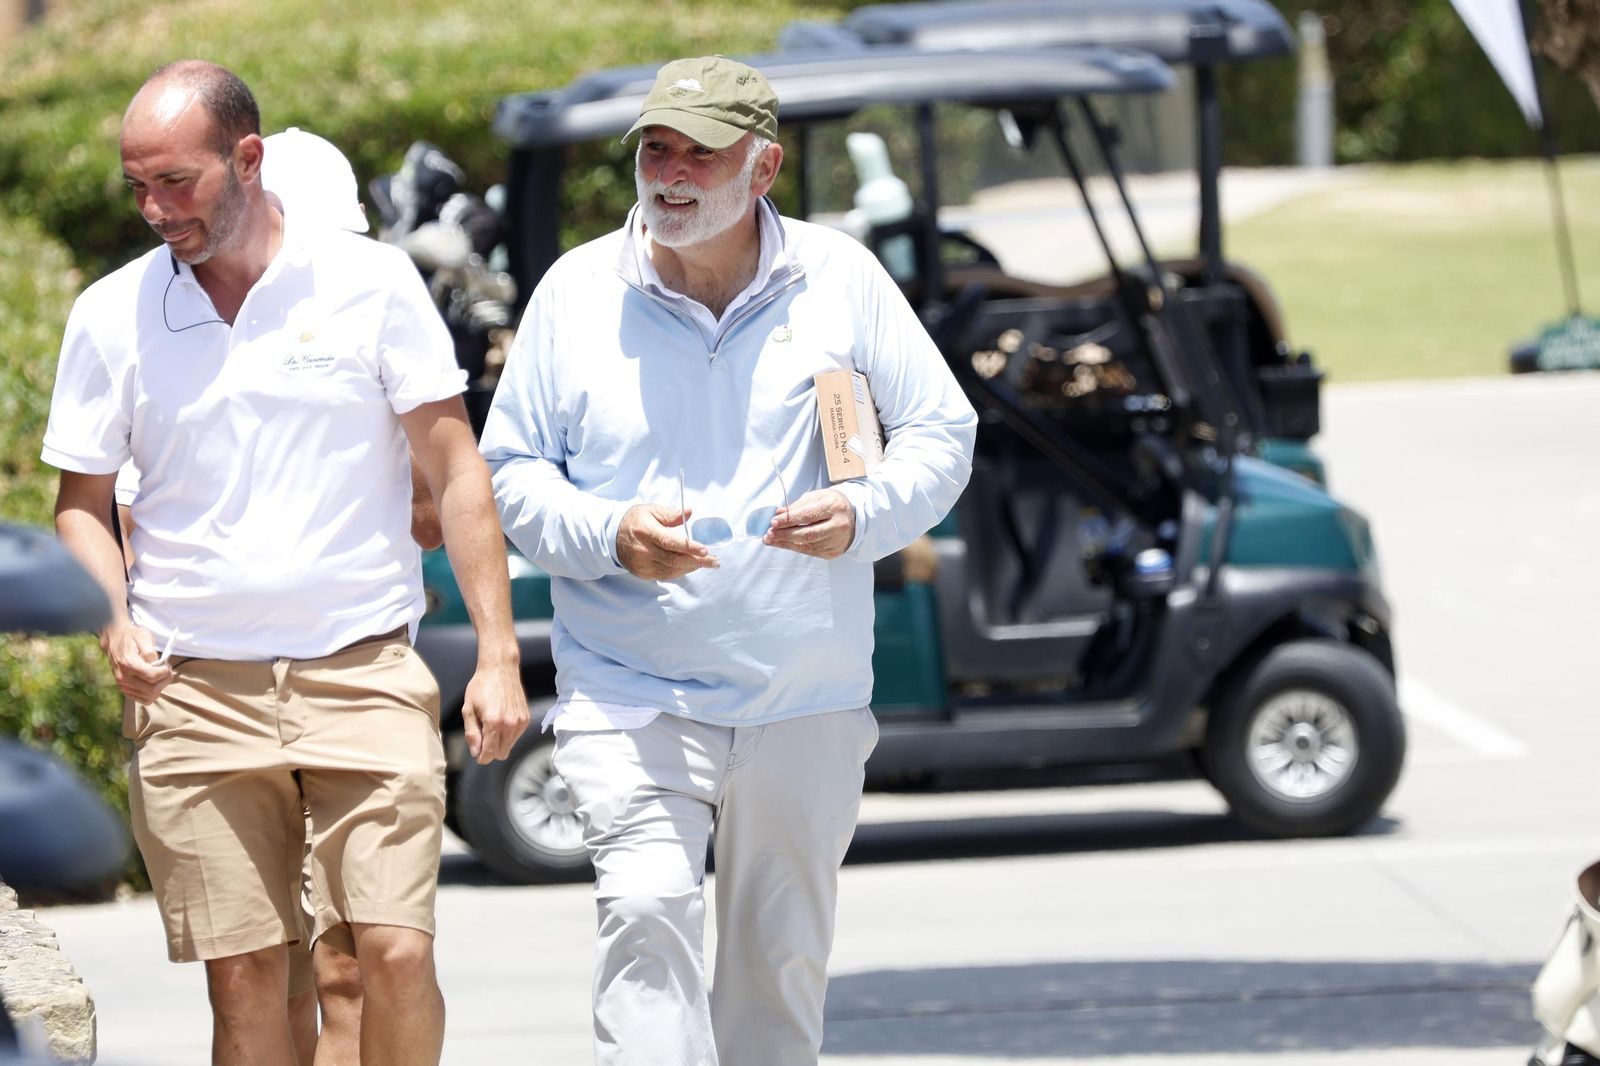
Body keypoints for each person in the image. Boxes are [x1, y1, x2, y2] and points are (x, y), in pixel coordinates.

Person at [479, 55, 977, 1066]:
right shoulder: (575, 294)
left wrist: (864, 512)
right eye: (655, 149)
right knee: (646, 908)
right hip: (631, 689)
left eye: (699, 155)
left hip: (807, 695)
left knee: (775, 963)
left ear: (763, 169)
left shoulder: (841, 279)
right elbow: (510, 476)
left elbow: (941, 429)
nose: (669, 173)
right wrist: (610, 533)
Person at [44, 60, 527, 1066]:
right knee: (251, 976)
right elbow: (83, 506)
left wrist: (496, 653)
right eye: (137, 186)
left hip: (361, 668)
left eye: (175, 181)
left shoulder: (369, 283)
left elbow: (453, 462)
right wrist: (113, 615)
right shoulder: (109, 314)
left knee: (390, 951)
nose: (154, 208)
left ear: (248, 157)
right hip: (193, 690)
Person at [110, 123, 386, 1066]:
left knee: (356, 967)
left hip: (354, 669)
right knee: (261, 976)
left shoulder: (363, 305)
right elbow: (124, 516)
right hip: (212, 684)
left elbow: (440, 494)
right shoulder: (161, 326)